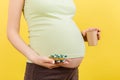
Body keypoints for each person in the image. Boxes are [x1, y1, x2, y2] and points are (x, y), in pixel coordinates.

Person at [7, 0, 100, 80]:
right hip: (45, 70)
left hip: (72, 72)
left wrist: (80, 36)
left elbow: (58, 21)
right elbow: (11, 32)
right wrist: (34, 58)